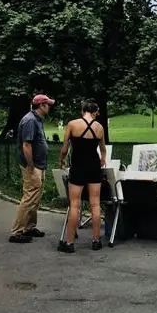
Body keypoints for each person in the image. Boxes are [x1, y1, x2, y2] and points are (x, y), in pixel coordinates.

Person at [57, 100, 107, 253]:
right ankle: (96, 240)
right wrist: (102, 160)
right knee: (95, 204)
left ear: (82, 110)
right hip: (93, 167)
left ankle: (70, 242)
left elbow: (65, 148)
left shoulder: (72, 124)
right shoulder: (99, 127)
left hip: (78, 166)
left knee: (74, 204)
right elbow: (103, 149)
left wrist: (61, 159)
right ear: (94, 112)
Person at [9, 94, 55, 243]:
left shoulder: (37, 119)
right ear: (41, 105)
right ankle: (17, 231)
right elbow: (26, 145)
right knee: (29, 197)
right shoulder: (30, 120)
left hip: (39, 165)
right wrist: (31, 166)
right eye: (47, 104)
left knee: (35, 197)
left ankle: (29, 227)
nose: (49, 107)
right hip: (33, 166)